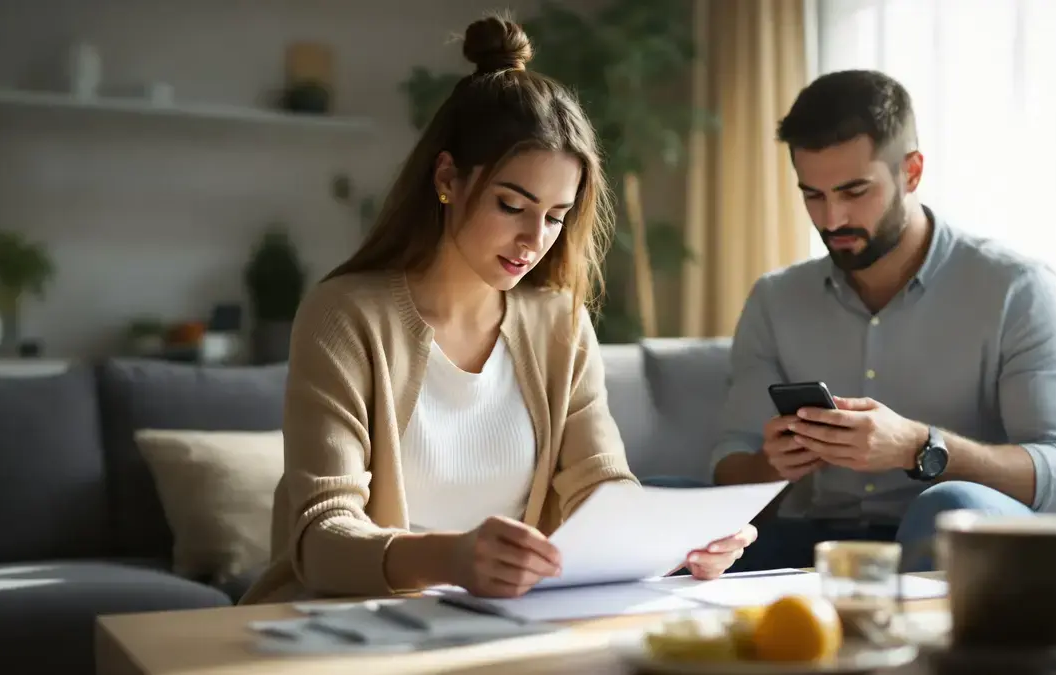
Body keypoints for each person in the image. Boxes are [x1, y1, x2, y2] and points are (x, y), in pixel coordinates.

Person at [239, 15, 756, 604]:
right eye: (513, 205)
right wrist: (452, 557)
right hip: (341, 630)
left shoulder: (561, 324)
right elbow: (320, 539)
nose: (535, 240)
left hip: (490, 627)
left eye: (557, 216)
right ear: (447, 179)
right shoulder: (345, 315)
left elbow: (602, 487)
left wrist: (679, 541)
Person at [711, 69, 1056, 572]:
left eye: (855, 191)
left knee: (946, 509)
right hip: (827, 547)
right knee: (671, 517)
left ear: (912, 172)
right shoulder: (775, 299)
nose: (831, 220)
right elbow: (728, 474)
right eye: (813, 195)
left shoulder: (1017, 288)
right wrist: (774, 466)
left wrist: (921, 448)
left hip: (995, 543)